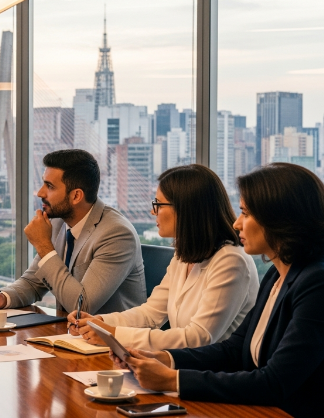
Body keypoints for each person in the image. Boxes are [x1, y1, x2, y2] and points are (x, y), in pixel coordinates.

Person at [117, 163, 324, 418]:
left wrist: (174, 380)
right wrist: (165, 359)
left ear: (279, 220)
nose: (237, 224)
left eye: (246, 214)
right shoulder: (276, 275)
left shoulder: (316, 284)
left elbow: (274, 382)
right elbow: (233, 350)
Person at [68, 164, 259, 350]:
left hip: (214, 375)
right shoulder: (184, 255)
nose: (153, 211)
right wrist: (100, 322)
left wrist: (115, 334)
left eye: (158, 204)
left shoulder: (231, 262)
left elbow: (198, 338)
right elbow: (151, 313)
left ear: (185, 209)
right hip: (181, 366)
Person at [0, 149, 145, 314]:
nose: (40, 193)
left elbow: (82, 307)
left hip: (110, 339)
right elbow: (33, 283)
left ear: (76, 196)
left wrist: (43, 245)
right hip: (71, 335)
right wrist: (3, 297)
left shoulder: (117, 235)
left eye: (49, 186)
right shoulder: (58, 221)